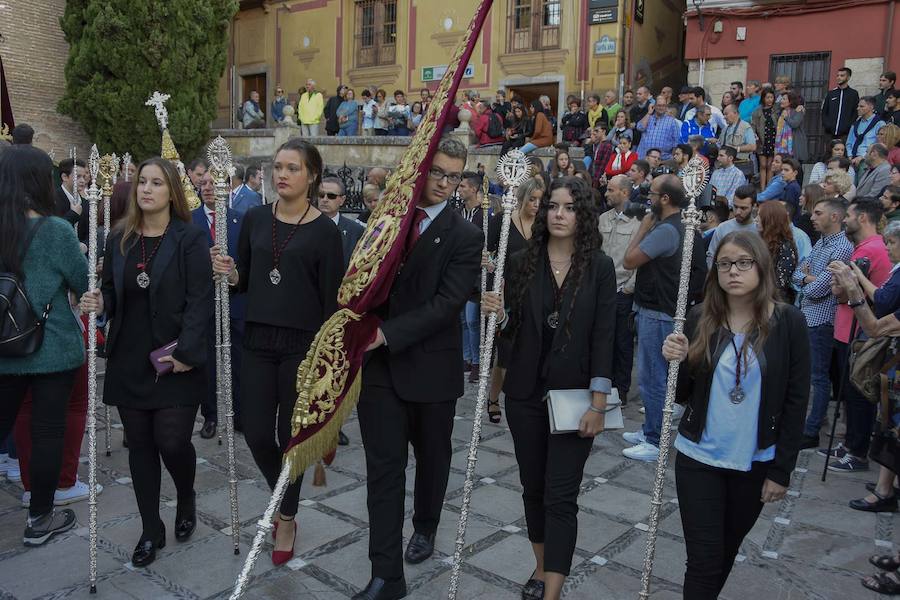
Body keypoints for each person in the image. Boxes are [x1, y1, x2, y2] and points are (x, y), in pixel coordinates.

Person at [352, 137, 482, 600]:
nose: (446, 184)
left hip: (430, 368)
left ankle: (426, 524)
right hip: (381, 370)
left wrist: (387, 333)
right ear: (421, 169)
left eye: (454, 176)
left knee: (432, 460)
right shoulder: (386, 220)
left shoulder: (466, 235)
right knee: (384, 471)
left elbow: (448, 304)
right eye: (438, 173)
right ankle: (386, 575)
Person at [211, 139, 344, 566]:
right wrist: (229, 274)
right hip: (258, 340)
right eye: (277, 166)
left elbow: (331, 303)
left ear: (311, 176)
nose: (281, 174)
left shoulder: (325, 231)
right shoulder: (253, 218)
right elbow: (246, 279)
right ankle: (282, 496)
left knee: (292, 439)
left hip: (302, 348)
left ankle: (285, 516)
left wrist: (328, 366)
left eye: (292, 168)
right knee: (253, 431)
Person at [481, 176, 615, 600]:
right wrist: (498, 316)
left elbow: (605, 337)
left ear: (583, 215)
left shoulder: (599, 266)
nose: (559, 214)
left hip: (576, 399)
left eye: (569, 207)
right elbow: (511, 332)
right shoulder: (523, 261)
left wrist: (599, 402)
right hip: (525, 395)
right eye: (552, 206)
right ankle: (541, 567)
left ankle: (552, 590)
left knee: (561, 495)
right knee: (534, 489)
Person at [663, 231, 810, 600]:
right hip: (699, 459)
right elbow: (681, 395)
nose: (733, 271)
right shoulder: (701, 318)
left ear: (761, 267)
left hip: (755, 463)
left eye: (744, 263)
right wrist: (677, 360)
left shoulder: (789, 323)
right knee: (703, 560)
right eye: (725, 264)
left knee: (724, 555)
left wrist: (782, 471)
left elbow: (796, 401)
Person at [79, 157, 212, 566]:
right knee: (139, 445)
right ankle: (150, 526)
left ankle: (186, 497)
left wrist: (188, 354)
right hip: (130, 357)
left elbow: (199, 301)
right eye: (142, 182)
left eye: (156, 182)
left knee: (172, 441)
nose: (146, 189)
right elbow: (112, 293)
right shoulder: (118, 237)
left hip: (175, 357)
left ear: (172, 191)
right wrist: (101, 302)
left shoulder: (189, 238)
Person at [0, 145, 89, 546]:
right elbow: (82, 282)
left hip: (3, 345)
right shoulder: (56, 230)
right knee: (49, 432)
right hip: (50, 348)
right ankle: (40, 519)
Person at [621, 175, 706, 462]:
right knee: (655, 376)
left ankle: (654, 439)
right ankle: (649, 430)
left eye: (652, 194)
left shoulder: (667, 230)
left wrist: (643, 227)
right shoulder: (680, 225)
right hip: (662, 308)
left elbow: (629, 260)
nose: (648, 199)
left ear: (665, 199)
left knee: (652, 377)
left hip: (658, 312)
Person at [825, 198, 892, 472]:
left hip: (861, 330)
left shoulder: (874, 249)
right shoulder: (861, 248)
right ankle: (851, 443)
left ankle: (858, 450)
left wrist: (840, 285)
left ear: (863, 218)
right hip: (846, 329)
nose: (844, 220)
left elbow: (843, 291)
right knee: (849, 392)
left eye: (849, 216)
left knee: (859, 392)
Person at [792, 199, 854, 449]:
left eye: (818, 213)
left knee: (818, 378)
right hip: (809, 315)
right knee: (813, 376)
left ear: (835, 217)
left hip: (822, 320)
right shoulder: (821, 242)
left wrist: (806, 280)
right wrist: (807, 278)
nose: (812, 217)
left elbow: (819, 289)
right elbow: (797, 275)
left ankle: (812, 429)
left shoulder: (840, 248)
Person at [191, 170, 246, 439]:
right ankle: (210, 416)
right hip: (204, 303)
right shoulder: (190, 221)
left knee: (238, 360)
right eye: (204, 183)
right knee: (208, 363)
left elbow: (247, 262)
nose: (209, 188)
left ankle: (239, 413)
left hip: (235, 303)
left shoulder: (240, 220)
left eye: (214, 183)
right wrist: (204, 259)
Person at [485, 178, 544, 424]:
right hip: (507, 294)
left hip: (535, 294)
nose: (536, 205)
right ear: (522, 198)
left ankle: (523, 397)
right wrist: (489, 265)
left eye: (541, 201)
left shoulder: (543, 226)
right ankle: (494, 398)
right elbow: (487, 250)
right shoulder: (503, 221)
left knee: (530, 348)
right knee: (505, 351)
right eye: (532, 199)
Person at [599, 174, 640, 407]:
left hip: (622, 288)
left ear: (624, 192)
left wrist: (628, 289)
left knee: (622, 343)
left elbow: (640, 258)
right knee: (601, 339)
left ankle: (620, 389)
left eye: (611, 190)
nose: (607, 194)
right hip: (602, 289)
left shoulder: (639, 222)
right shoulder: (603, 218)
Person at [707, 184, 757, 267]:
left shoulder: (759, 230)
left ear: (754, 206)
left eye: (743, 208)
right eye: (735, 206)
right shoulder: (722, 228)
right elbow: (711, 257)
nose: (738, 212)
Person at [757, 201, 798, 303]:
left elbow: (780, 282)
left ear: (770, 219)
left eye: (759, 216)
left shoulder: (786, 247)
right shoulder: (761, 242)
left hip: (775, 303)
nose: (756, 220)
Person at [719, 103, 757, 179]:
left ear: (735, 113)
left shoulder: (746, 126)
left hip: (740, 165)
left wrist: (736, 149)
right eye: (724, 114)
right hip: (726, 167)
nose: (724, 117)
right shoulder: (724, 129)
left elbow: (753, 146)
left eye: (726, 114)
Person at [635, 95, 680, 159]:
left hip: (662, 159)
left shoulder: (672, 122)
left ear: (666, 107)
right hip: (643, 157)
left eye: (663, 105)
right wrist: (649, 113)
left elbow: (676, 143)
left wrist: (672, 158)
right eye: (659, 105)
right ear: (654, 106)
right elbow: (639, 127)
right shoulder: (648, 117)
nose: (661, 108)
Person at [752, 88, 780, 190]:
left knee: (770, 165)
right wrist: (755, 138)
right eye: (767, 97)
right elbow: (754, 125)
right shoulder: (757, 111)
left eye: (771, 97)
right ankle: (763, 188)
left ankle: (769, 187)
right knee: (763, 165)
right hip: (762, 140)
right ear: (763, 98)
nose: (769, 100)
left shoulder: (776, 109)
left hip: (773, 139)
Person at [847, 97, 885, 170]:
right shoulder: (855, 124)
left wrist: (862, 157)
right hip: (852, 159)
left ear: (871, 107)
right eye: (858, 106)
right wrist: (850, 156)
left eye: (862, 106)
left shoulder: (879, 123)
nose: (858, 108)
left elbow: (879, 144)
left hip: (868, 160)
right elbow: (849, 142)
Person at [822, 67, 859, 139]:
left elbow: (855, 112)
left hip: (845, 134)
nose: (839, 77)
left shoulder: (853, 94)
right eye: (838, 75)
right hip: (829, 133)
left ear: (848, 77)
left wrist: (848, 126)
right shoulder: (831, 93)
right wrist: (827, 125)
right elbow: (824, 111)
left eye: (842, 76)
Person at [775, 92, 807, 161]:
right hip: (781, 146)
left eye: (784, 99)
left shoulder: (798, 111)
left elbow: (795, 124)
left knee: (795, 166)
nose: (781, 101)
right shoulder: (780, 112)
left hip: (794, 144)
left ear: (790, 101)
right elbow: (775, 105)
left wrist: (786, 117)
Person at [55, 158, 86, 227]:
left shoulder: (86, 204)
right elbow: (54, 230)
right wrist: (73, 214)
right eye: (78, 176)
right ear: (65, 177)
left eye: (84, 177)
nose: (83, 181)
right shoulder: (52, 200)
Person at [780, 157, 803, 224]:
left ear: (795, 173)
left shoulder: (792, 187)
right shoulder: (792, 186)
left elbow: (788, 210)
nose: (782, 172)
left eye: (786, 170)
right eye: (782, 170)